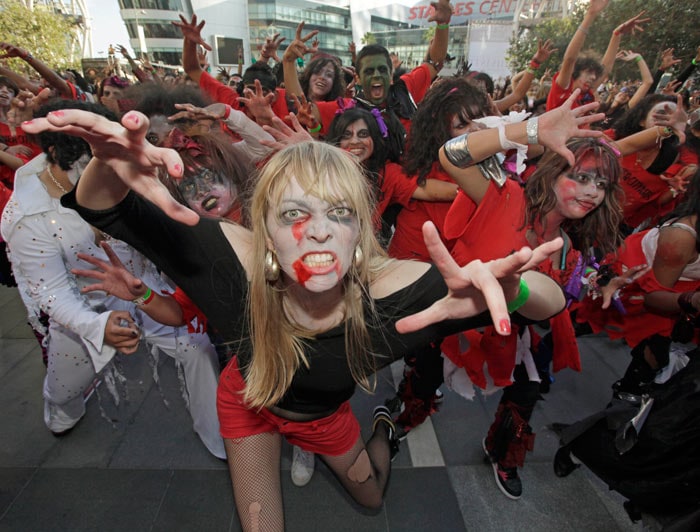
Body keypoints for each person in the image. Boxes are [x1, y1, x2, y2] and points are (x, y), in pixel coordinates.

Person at [22, 96, 603, 530]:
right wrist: (106, 158)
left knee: (372, 497)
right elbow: (103, 205)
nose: (319, 228)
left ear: (362, 232)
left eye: (339, 211)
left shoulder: (402, 296)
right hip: (246, 400)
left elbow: (545, 302)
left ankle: (383, 426)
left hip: (322, 419)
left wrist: (509, 289)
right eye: (294, 211)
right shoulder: (228, 259)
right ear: (263, 232)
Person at [1, 100, 224, 459]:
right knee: (64, 389)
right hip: (84, 311)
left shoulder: (124, 165)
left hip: (144, 286)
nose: (105, 170)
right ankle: (61, 412)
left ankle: (219, 437)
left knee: (197, 350)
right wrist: (97, 325)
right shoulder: (27, 216)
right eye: (90, 161)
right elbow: (51, 292)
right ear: (56, 153)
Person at [438, 89, 631, 499]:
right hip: (450, 322)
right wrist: (529, 131)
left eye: (600, 184)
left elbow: (550, 310)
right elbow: (451, 154)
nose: (591, 191)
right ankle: (396, 424)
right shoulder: (504, 195)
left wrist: (597, 285)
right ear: (552, 170)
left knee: (526, 391)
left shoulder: (570, 244)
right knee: (419, 386)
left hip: (510, 338)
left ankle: (502, 452)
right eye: (580, 176)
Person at [545, 1, 648, 111]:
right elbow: (570, 59)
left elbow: (606, 68)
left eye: (595, 74)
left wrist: (617, 35)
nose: (594, 77)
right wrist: (590, 14)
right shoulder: (563, 88)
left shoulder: (586, 94)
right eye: (589, 72)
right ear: (576, 71)